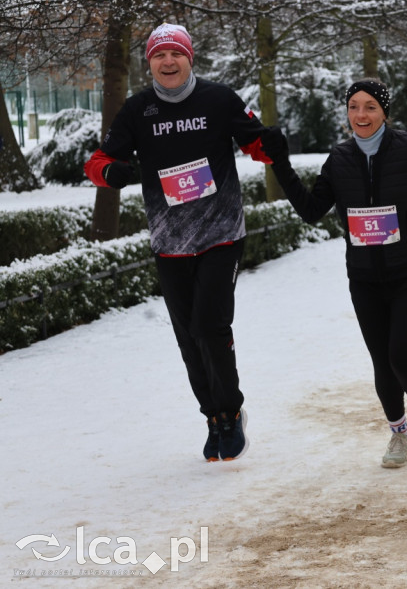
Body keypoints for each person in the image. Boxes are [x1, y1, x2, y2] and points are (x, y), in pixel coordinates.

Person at [84, 23, 284, 462]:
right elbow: (97, 162)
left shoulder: (218, 99)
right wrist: (110, 173)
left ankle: (231, 414)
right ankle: (211, 416)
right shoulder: (137, 111)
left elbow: (257, 144)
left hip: (220, 234)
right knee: (187, 337)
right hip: (170, 241)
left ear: (190, 58)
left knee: (210, 325)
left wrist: (271, 144)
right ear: (149, 63)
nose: (168, 62)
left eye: (176, 54)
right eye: (159, 55)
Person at [261, 78, 407, 469]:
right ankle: (399, 434)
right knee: (382, 361)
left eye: (370, 107)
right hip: (363, 276)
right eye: (354, 107)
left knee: (402, 356)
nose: (360, 115)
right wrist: (280, 163)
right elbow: (312, 210)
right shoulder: (339, 157)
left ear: (384, 113)